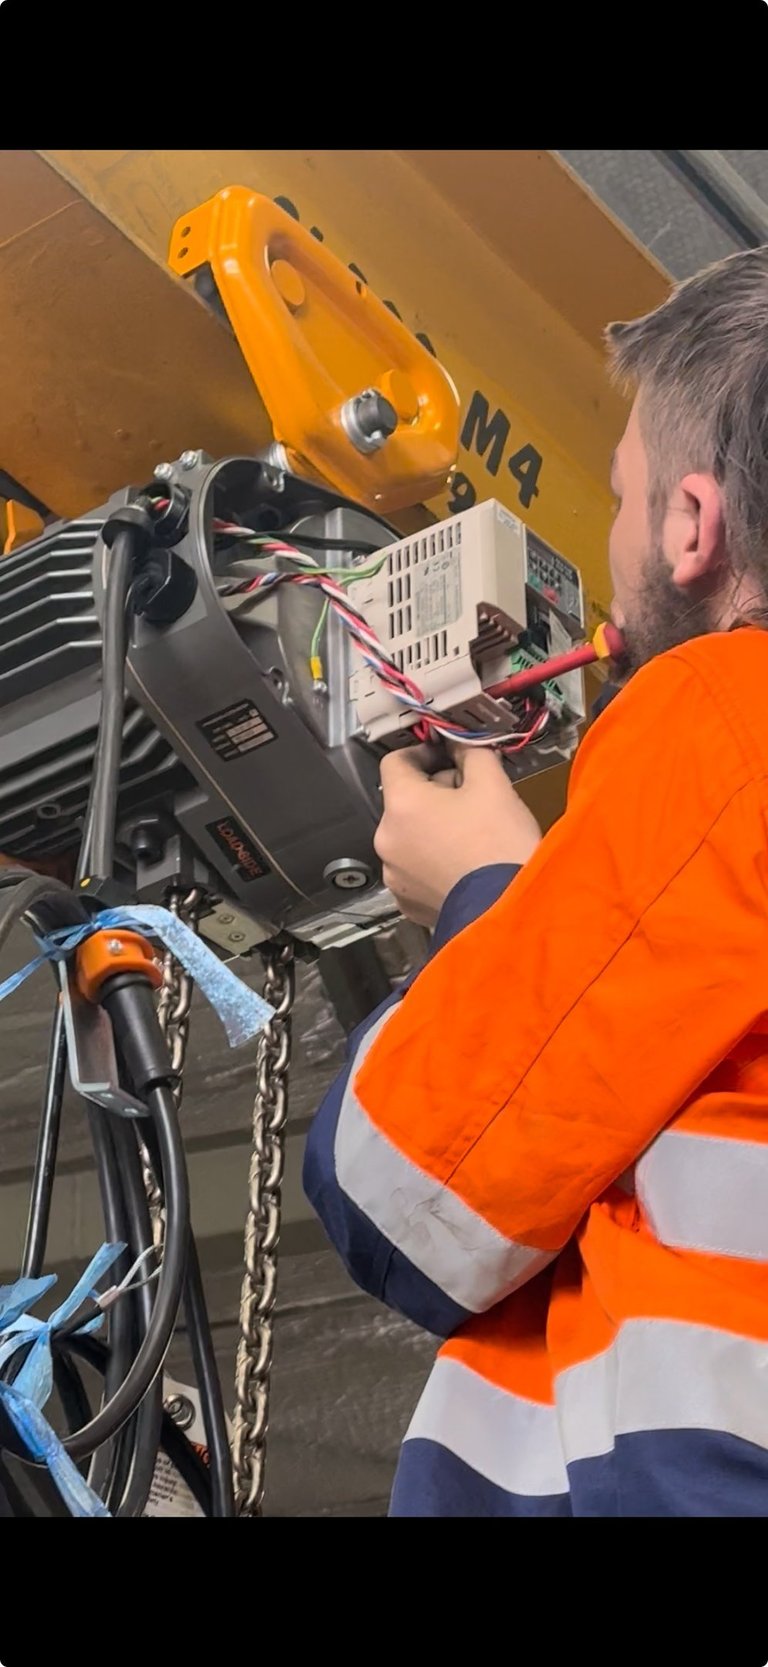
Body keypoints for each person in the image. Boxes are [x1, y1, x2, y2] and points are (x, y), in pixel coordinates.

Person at [303, 245, 768, 1517]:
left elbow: (401, 1199)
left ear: (690, 525)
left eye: (619, 496)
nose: (610, 535)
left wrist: (485, 892)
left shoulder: (728, 721)